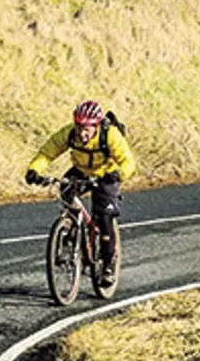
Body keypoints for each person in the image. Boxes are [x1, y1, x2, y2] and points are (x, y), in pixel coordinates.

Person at [25, 100, 136, 286]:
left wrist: (118, 174)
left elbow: (128, 162)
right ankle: (72, 229)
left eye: (86, 129)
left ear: (96, 126)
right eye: (79, 127)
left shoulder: (110, 135)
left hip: (105, 174)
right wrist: (34, 170)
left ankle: (108, 264)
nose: (82, 133)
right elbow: (47, 152)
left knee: (105, 215)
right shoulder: (69, 133)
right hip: (81, 171)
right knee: (66, 191)